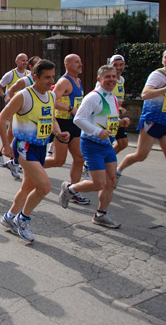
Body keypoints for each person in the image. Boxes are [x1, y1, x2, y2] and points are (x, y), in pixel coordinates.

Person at [0, 59, 69, 242]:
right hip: (24, 147)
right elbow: (2, 118)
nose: (51, 81)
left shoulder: (51, 96)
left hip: (40, 146)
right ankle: (23, 219)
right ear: (35, 77)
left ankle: (8, 217)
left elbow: (51, 118)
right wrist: (6, 144)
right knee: (44, 186)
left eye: (53, 77)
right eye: (47, 77)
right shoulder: (24, 95)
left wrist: (59, 133)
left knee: (27, 186)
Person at [59, 64, 129, 228]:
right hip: (92, 144)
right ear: (100, 79)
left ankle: (100, 215)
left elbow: (106, 119)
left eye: (114, 77)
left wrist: (120, 122)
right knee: (99, 183)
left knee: (111, 181)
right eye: (108, 77)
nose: (112, 80)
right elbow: (78, 119)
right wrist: (97, 131)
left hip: (107, 145)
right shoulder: (93, 97)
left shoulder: (111, 97)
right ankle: (70, 188)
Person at [117, 48, 166, 206]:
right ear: (162, 60)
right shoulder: (158, 75)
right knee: (141, 155)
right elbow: (145, 94)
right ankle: (118, 171)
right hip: (152, 120)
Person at [43, 54, 91, 205]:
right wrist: (70, 108)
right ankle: (33, 165)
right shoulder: (64, 81)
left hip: (75, 124)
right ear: (68, 65)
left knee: (79, 158)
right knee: (59, 161)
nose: (80, 64)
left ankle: (73, 190)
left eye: (80, 61)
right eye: (77, 62)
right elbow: (52, 101)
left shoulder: (78, 80)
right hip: (63, 123)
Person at [0, 53, 30, 175]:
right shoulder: (10, 74)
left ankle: (1, 154)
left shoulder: (29, 74)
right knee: (14, 132)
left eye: (26, 60)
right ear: (16, 61)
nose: (24, 62)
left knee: (11, 133)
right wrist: (5, 96)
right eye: (22, 60)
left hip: (24, 108)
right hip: (12, 107)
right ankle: (14, 161)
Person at [110, 55, 129, 154]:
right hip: (108, 116)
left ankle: (105, 160)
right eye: (115, 65)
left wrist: (120, 106)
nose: (118, 68)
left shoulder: (121, 80)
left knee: (123, 143)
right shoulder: (107, 79)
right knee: (107, 142)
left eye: (121, 65)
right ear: (110, 65)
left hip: (116, 115)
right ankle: (90, 164)